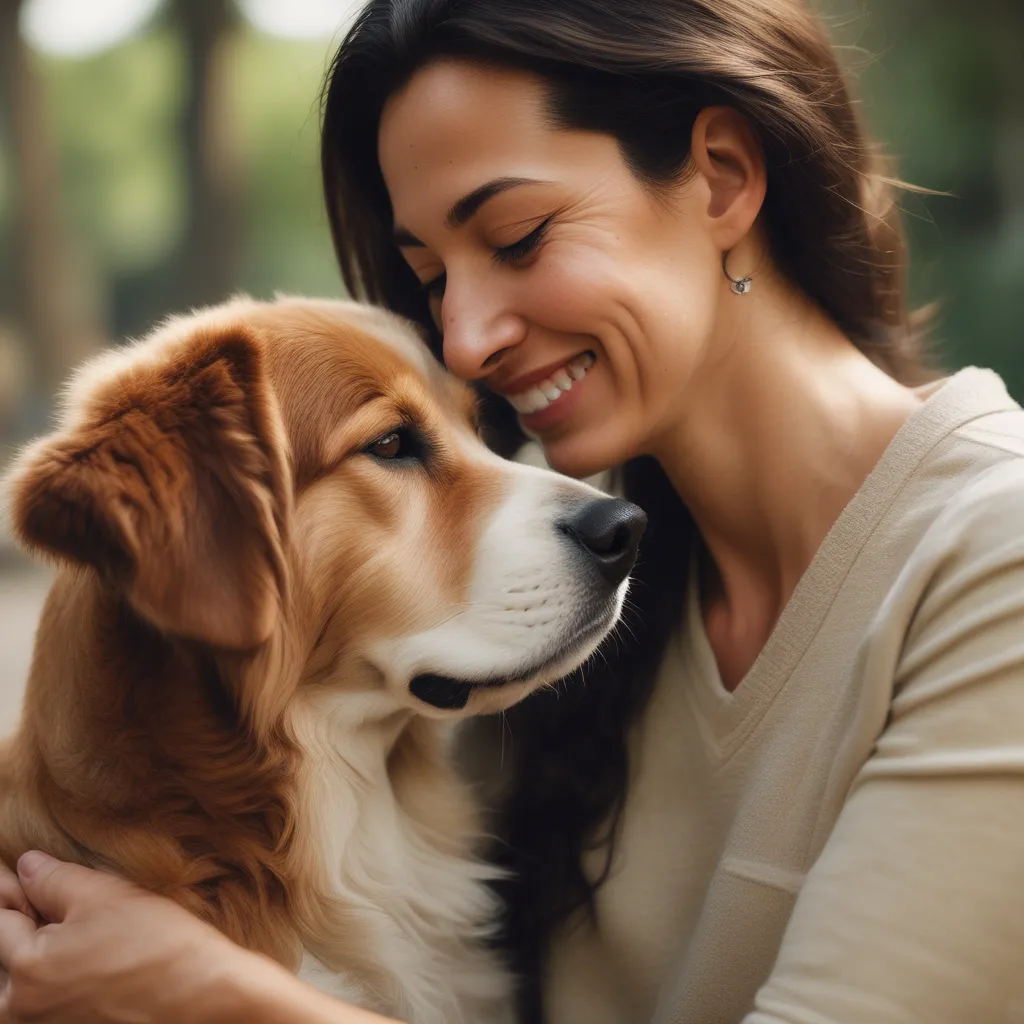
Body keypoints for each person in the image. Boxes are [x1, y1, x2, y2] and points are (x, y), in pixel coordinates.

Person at [4, 0, 1024, 1021]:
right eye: (433, 277)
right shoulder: (581, 606)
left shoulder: (994, 552)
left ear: (720, 175)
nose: (464, 337)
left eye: (519, 236)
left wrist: (208, 993)